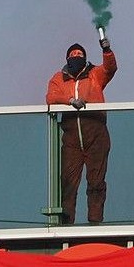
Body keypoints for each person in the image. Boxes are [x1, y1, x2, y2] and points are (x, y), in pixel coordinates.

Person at [44, 37, 117, 225]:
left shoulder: (94, 74)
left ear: (85, 58)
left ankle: (95, 221)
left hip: (96, 132)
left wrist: (107, 50)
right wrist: (70, 101)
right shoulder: (59, 78)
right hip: (71, 138)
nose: (76, 57)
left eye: (80, 55)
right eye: (73, 55)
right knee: (68, 182)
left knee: (96, 181)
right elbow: (51, 97)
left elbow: (110, 68)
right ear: (67, 58)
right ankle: (66, 224)